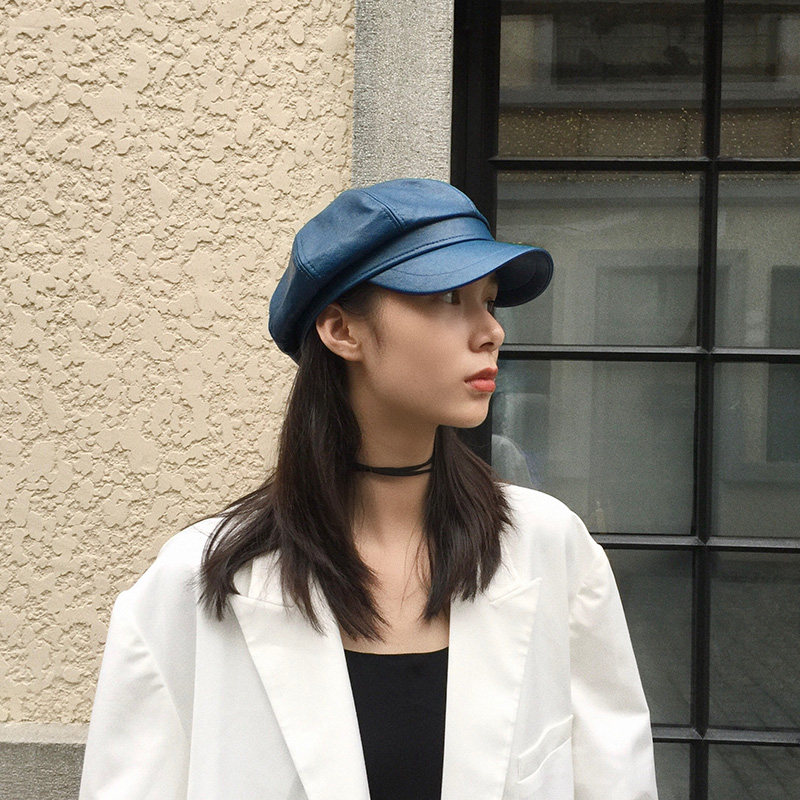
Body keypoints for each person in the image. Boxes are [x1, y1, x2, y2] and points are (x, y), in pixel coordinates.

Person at [78, 178, 659, 800]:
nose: (491, 330)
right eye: (449, 297)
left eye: (489, 301)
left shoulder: (551, 547)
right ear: (342, 331)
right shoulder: (193, 582)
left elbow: (614, 776)